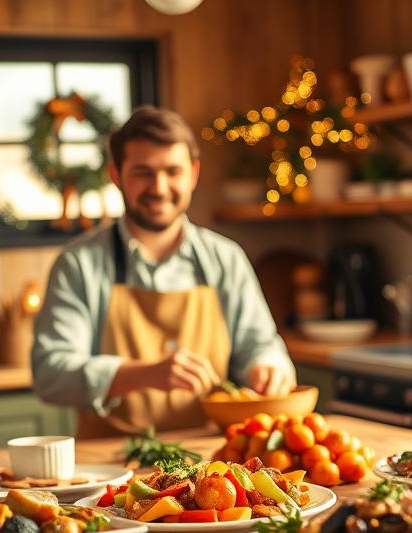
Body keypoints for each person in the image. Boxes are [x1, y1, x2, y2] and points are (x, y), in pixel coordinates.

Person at [31, 105, 295, 437]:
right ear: (116, 175)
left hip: (213, 465)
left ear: (193, 174)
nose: (159, 187)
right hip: (109, 467)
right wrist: (144, 374)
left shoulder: (226, 259)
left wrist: (269, 368)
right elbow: (50, 374)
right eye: (143, 172)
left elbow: (260, 345)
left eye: (173, 171)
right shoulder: (78, 264)